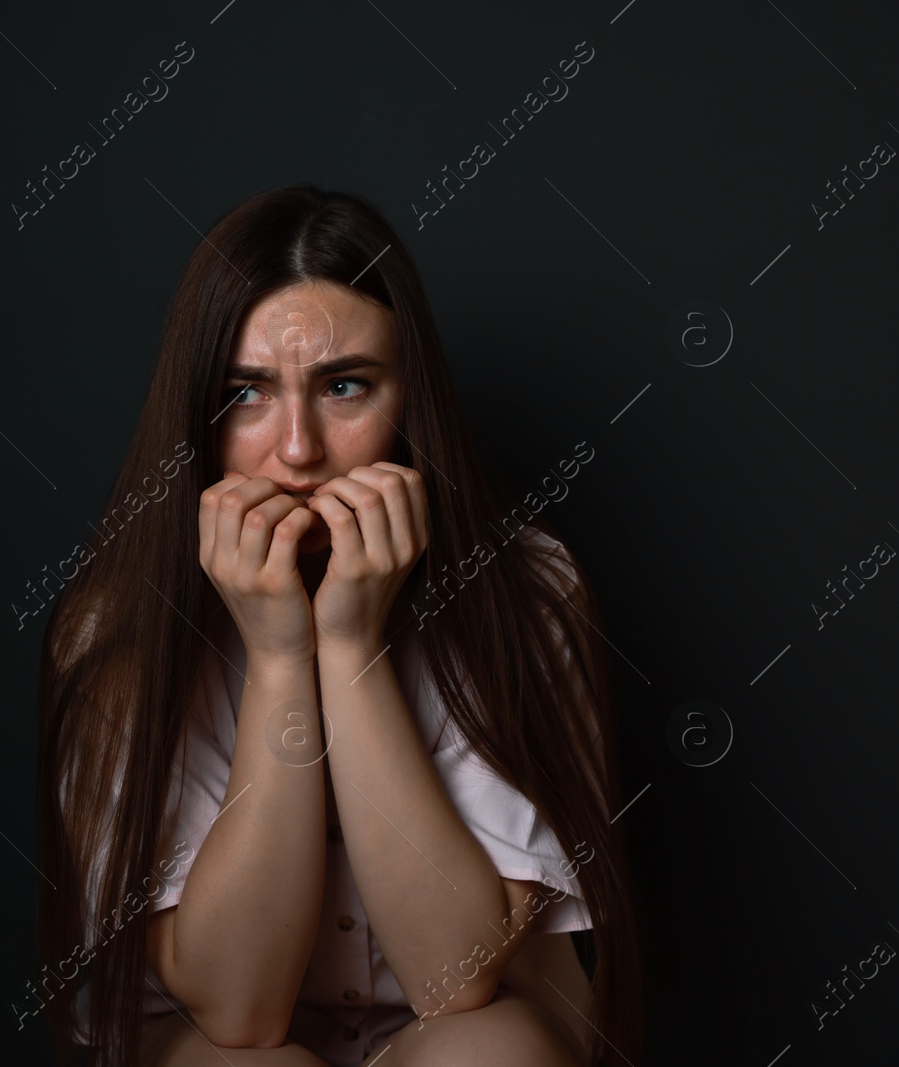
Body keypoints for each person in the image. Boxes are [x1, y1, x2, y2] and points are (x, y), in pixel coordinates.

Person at [32, 185, 644, 1067]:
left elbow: (453, 977)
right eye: (246, 393)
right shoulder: (112, 630)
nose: (297, 449)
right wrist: (283, 655)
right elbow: (238, 1012)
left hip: (471, 1029)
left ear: (410, 406)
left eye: (345, 385)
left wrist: (352, 645)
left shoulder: (526, 591)